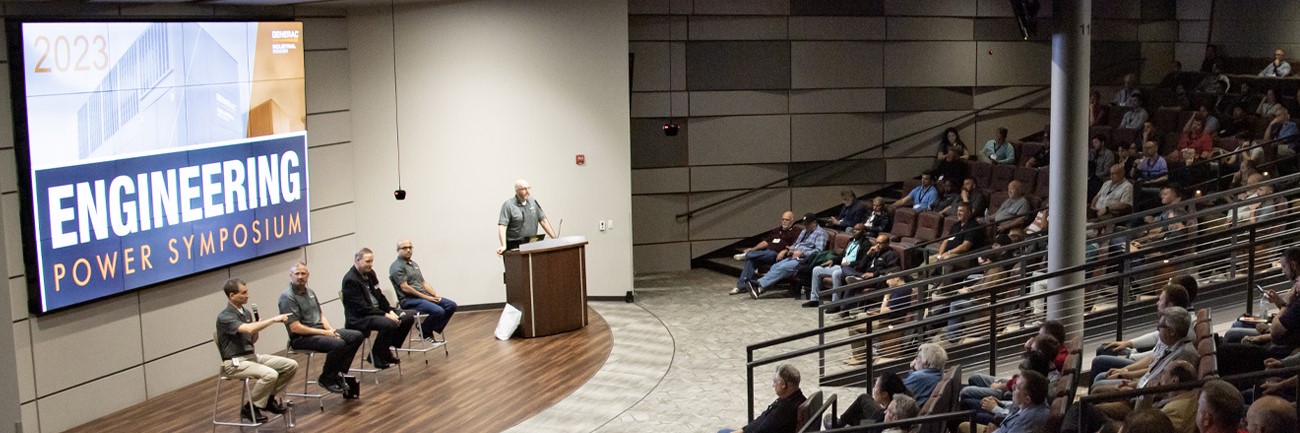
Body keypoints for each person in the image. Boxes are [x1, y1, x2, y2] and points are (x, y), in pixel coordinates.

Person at [215, 277, 298, 423]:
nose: (247, 295)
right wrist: (272, 320)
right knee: (270, 374)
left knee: (290, 365)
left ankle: (268, 399)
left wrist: (256, 329)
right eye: (243, 293)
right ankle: (250, 408)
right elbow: (247, 328)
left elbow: (251, 339)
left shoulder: (245, 313)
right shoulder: (225, 316)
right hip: (234, 362)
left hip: (251, 357)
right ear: (232, 296)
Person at [279, 262, 362, 395]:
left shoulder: (310, 292)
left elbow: (320, 315)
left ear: (308, 275)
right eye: (297, 274)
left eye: (303, 273)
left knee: (356, 336)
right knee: (338, 344)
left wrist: (331, 330)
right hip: (302, 337)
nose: (300, 276)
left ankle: (336, 373)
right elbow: (295, 328)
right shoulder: (288, 297)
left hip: (320, 332)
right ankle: (327, 378)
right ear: (291, 276)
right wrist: (325, 333)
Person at [1216, 247, 1300, 377]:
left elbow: (1277, 330)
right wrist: (1280, 303)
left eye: (1284, 267)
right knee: (1238, 324)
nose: (1283, 271)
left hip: (1280, 349)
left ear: (1293, 265)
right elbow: (1290, 319)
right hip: (1279, 340)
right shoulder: (1296, 289)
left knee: (1229, 341)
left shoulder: (1298, 293)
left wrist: (1286, 304)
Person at [341, 247, 415, 370]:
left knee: (407, 317)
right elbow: (362, 307)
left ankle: (384, 351)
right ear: (357, 260)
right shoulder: (350, 280)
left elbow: (379, 295)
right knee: (389, 323)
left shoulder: (370, 273)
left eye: (371, 261)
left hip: (377, 311)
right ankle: (376, 355)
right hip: (361, 317)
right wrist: (385, 315)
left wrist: (389, 310)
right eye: (367, 261)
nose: (370, 264)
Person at [389, 240, 457, 344]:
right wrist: (427, 298)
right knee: (439, 311)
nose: (408, 250)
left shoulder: (414, 264)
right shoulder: (396, 267)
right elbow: (405, 288)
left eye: (410, 247)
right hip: (409, 300)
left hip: (423, 297)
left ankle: (425, 328)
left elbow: (423, 282)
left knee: (451, 305)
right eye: (405, 248)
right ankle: (425, 332)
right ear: (398, 250)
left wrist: (434, 294)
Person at [745, 213, 828, 299]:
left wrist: (802, 253)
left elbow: (818, 252)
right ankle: (759, 289)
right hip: (794, 256)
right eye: (804, 224)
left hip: (805, 260)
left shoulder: (821, 234)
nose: (805, 226)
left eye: (807, 224)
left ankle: (758, 284)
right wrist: (790, 249)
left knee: (783, 267)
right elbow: (796, 244)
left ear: (814, 223)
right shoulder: (804, 231)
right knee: (775, 266)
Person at [717, 364, 806, 433]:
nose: (773, 385)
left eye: (775, 382)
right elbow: (763, 418)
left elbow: (763, 430)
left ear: (783, 385)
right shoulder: (797, 398)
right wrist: (742, 429)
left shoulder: (784, 410)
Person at [730, 211, 800, 295]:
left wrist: (784, 251)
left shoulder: (796, 232)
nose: (784, 221)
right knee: (751, 260)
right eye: (783, 219)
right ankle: (741, 286)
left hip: (779, 256)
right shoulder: (777, 230)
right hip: (766, 254)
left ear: (792, 221)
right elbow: (765, 242)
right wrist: (752, 249)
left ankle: (747, 256)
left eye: (787, 220)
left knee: (771, 253)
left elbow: (795, 246)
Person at [1131, 359, 1197, 433]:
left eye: (1164, 373)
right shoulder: (1182, 396)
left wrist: (1146, 393)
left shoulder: (1173, 410)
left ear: (1174, 380)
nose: (1159, 376)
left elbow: (1139, 426)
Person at [826, 372, 912, 429]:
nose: (873, 389)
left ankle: (837, 425)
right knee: (863, 401)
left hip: (876, 426)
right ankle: (840, 424)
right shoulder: (903, 398)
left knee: (863, 400)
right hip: (876, 423)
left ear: (884, 394)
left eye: (875, 386)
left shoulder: (888, 416)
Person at [497, 179, 557, 254]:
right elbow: (502, 226)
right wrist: (503, 245)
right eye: (524, 189)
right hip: (515, 246)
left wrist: (555, 239)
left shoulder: (533, 202)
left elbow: (543, 221)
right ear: (516, 190)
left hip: (532, 243)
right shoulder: (508, 205)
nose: (528, 192)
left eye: (528, 188)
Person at [982, 370, 1050, 433]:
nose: (1012, 387)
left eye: (1017, 387)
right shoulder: (1034, 402)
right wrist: (1001, 402)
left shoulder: (1026, 421)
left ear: (1027, 399)